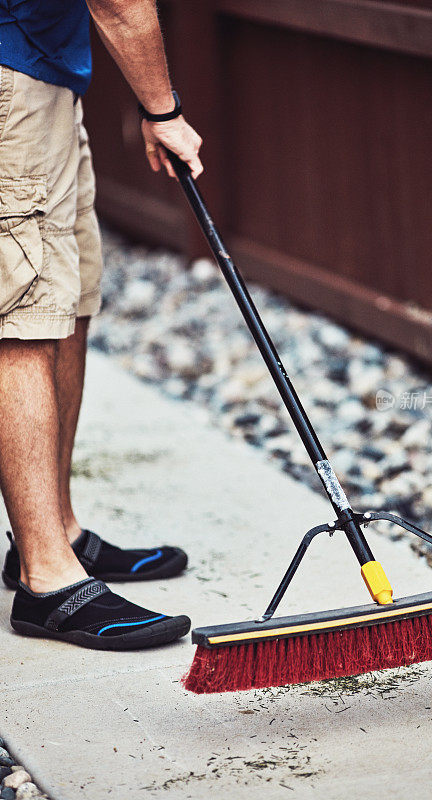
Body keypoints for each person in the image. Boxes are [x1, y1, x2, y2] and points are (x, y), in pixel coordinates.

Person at [0, 0, 203, 650]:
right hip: (10, 75)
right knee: (22, 317)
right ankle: (47, 580)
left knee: (67, 297)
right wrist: (162, 109)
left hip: (42, 70)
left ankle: (56, 531)